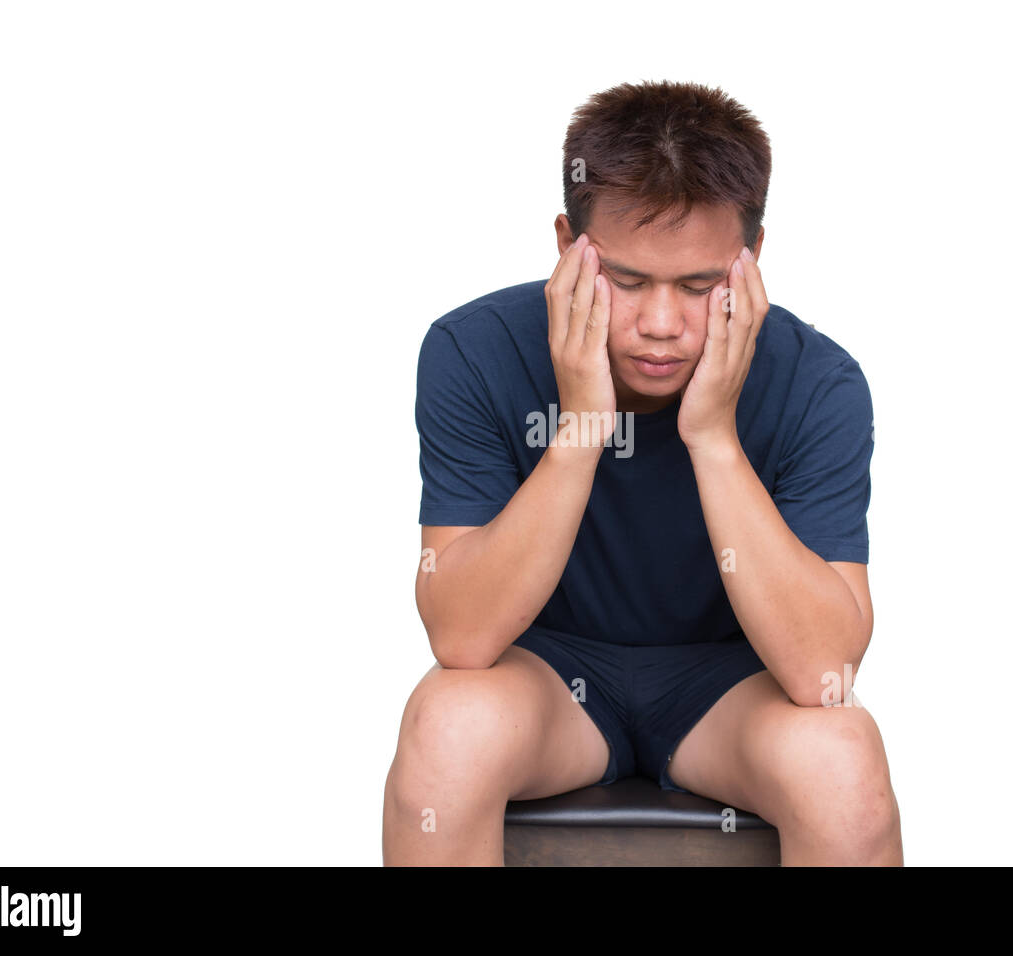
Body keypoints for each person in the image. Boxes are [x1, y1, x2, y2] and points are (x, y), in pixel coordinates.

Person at [384, 80, 903, 866]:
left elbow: (822, 671)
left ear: (751, 259)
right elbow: (461, 635)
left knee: (843, 757)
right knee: (446, 724)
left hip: (730, 691)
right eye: (625, 281)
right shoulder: (471, 349)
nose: (661, 325)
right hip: (548, 680)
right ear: (568, 246)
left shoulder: (820, 382)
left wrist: (715, 439)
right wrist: (583, 424)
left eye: (700, 286)